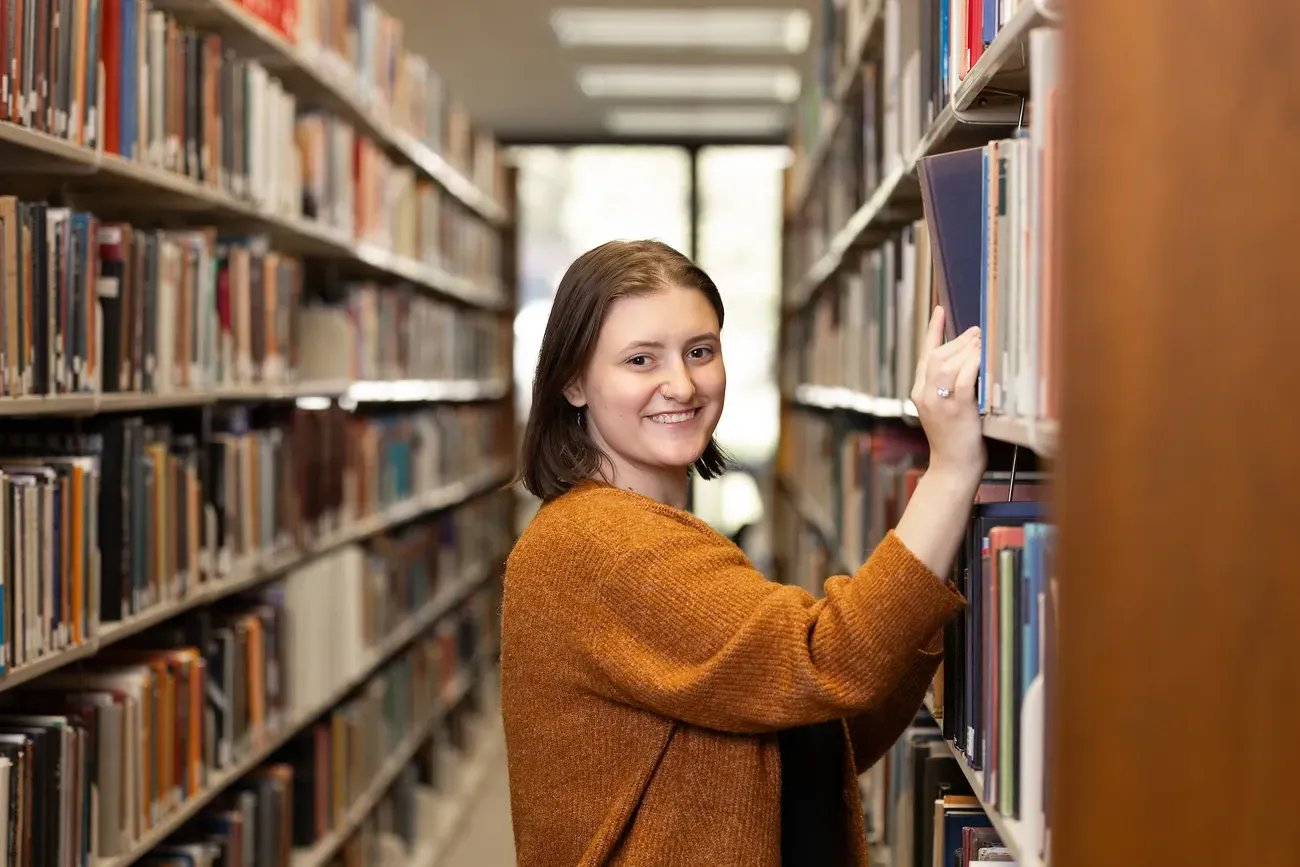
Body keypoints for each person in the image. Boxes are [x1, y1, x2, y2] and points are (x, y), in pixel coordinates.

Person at [502, 239, 982, 867]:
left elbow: (817, 730)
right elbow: (826, 660)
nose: (681, 384)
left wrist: (913, 611)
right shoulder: (600, 546)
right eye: (641, 360)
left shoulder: (654, 532)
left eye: (699, 352)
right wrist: (949, 471)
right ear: (573, 382)